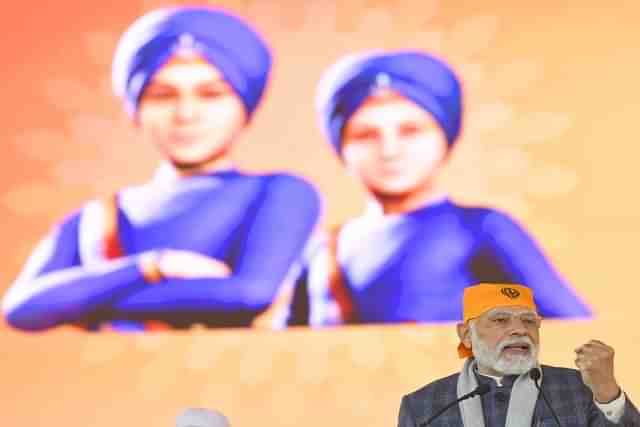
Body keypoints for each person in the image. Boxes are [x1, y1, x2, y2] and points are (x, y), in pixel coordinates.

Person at [2, 6, 321, 332]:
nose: (186, 114)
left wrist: (79, 301)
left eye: (211, 95)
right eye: (162, 95)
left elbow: (247, 294)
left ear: (246, 106)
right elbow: (23, 308)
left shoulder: (279, 193)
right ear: (135, 109)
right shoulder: (100, 217)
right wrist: (153, 265)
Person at [292, 50, 590, 325]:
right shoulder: (322, 248)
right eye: (365, 135)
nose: (390, 150)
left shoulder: (479, 229)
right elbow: (282, 353)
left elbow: (574, 331)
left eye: (411, 131)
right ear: (341, 147)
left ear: (445, 138)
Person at [397, 283, 640, 426]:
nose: (520, 330)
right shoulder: (423, 406)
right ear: (466, 334)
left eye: (529, 321)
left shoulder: (580, 389)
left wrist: (608, 393)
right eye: (501, 320)